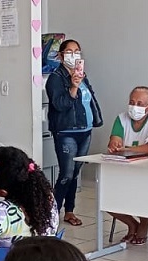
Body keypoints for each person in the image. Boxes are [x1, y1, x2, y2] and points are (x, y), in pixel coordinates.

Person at [45, 39, 104, 227]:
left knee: (75, 173)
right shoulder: (56, 78)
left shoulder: (82, 75)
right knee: (66, 174)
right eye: (69, 52)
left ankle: (69, 211)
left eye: (77, 51)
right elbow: (60, 104)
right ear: (61, 56)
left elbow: (89, 99)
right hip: (66, 131)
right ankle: (50, 214)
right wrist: (73, 87)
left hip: (84, 131)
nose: (73, 55)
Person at [107, 86, 148, 245]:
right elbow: (114, 139)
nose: (135, 106)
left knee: (146, 195)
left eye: (140, 103)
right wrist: (115, 143)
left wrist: (126, 148)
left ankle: (144, 225)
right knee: (105, 196)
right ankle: (132, 224)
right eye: (132, 102)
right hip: (123, 169)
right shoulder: (121, 118)